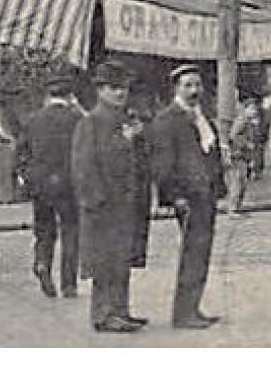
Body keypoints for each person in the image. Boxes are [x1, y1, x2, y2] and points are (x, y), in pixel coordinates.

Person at [70, 61, 151, 334]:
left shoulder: (126, 120)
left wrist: (138, 138)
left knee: (122, 259)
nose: (120, 94)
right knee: (104, 262)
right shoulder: (90, 122)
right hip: (104, 204)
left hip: (127, 204)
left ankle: (121, 310)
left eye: (124, 89)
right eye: (114, 89)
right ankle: (103, 314)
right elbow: (84, 166)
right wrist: (95, 201)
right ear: (100, 90)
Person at [148, 64, 227, 329]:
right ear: (176, 89)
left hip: (205, 195)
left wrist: (219, 188)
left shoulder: (201, 117)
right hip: (188, 197)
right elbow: (162, 163)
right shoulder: (167, 120)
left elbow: (211, 155)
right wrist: (173, 196)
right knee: (193, 253)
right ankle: (183, 313)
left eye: (197, 85)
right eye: (188, 86)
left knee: (202, 252)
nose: (194, 91)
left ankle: (193, 307)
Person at [16, 73, 84, 298]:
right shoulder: (77, 119)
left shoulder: (33, 119)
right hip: (69, 183)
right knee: (71, 230)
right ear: (70, 95)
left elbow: (21, 153)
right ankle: (69, 284)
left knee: (44, 230)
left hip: (41, 184)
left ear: (48, 95)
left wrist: (28, 176)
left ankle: (42, 263)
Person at [227, 96, 264, 215]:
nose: (255, 111)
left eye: (255, 109)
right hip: (238, 155)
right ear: (245, 109)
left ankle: (237, 207)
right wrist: (246, 144)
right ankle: (233, 209)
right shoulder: (241, 120)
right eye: (252, 109)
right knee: (238, 181)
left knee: (242, 182)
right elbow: (233, 135)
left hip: (244, 155)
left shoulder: (249, 121)